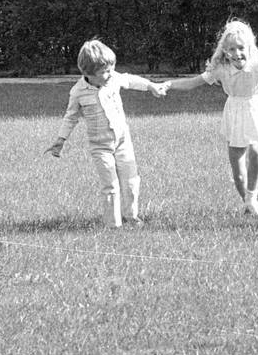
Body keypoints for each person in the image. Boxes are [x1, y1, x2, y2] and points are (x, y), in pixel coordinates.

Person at [165, 20, 258, 217]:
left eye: (241, 48)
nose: (237, 53)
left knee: (256, 150)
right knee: (237, 170)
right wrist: (169, 84)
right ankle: (248, 203)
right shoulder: (221, 69)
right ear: (225, 51)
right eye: (232, 49)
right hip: (235, 112)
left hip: (256, 109)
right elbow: (194, 82)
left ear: (249, 47)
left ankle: (252, 198)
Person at [45, 39, 168, 229]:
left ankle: (131, 216)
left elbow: (130, 80)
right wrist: (61, 139)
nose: (110, 74)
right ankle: (113, 225)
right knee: (110, 185)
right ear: (88, 73)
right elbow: (71, 117)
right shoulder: (78, 92)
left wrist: (151, 85)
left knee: (131, 180)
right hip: (100, 146)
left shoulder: (113, 79)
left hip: (122, 141)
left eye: (111, 69)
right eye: (104, 71)